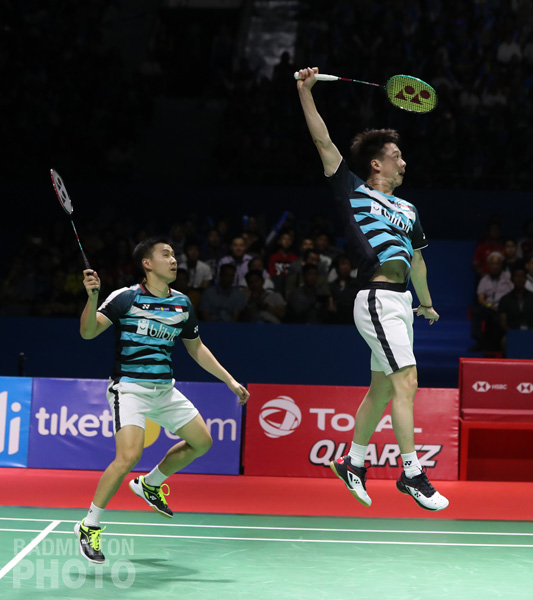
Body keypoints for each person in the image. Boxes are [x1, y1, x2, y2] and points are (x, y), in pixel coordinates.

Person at [296, 67, 448, 511]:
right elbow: (323, 141)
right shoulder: (353, 190)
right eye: (397, 156)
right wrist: (306, 91)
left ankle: (354, 463)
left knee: (381, 390)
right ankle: (412, 473)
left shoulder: (409, 209)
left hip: (402, 302)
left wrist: (427, 304)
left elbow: (417, 260)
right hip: (377, 299)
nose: (405, 162)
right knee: (407, 381)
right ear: (377, 164)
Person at [74, 237, 250, 564]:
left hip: (164, 390)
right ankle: (89, 525)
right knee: (129, 456)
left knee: (202, 442)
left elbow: (196, 348)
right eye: (165, 254)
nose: (173, 260)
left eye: (173, 255)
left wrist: (229, 380)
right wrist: (92, 296)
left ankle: (150, 484)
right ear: (147, 263)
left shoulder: (182, 303)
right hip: (129, 388)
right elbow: (88, 332)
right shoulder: (125, 298)